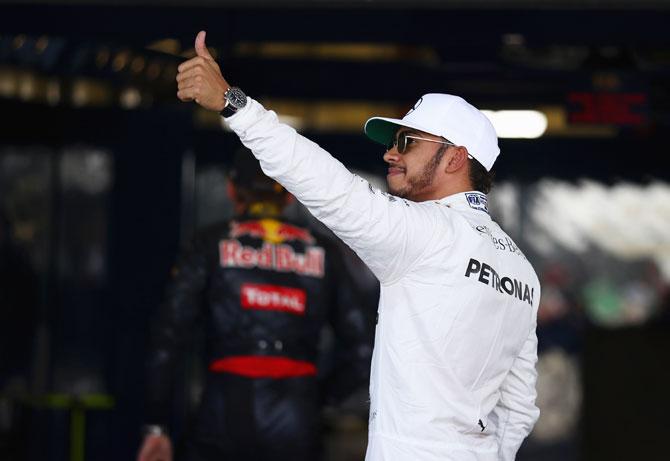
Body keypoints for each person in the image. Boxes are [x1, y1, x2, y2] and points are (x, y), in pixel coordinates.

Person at [175, 30, 541, 461]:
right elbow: (519, 408)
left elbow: (328, 185)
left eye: (407, 142)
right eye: (391, 142)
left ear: (455, 158)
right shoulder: (521, 271)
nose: (390, 153)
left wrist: (234, 105)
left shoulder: (427, 233)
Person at [137, 148, 374, 461]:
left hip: (223, 410)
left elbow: (167, 340)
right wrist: (315, 398)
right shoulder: (325, 251)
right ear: (289, 195)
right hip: (296, 416)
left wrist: (156, 425)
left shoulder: (209, 243)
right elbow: (362, 349)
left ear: (232, 189)